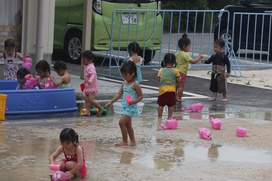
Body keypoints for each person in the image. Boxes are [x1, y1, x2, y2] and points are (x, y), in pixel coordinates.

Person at [105, 61, 143, 146]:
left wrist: (134, 101)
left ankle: (125, 141)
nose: (124, 77)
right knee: (128, 125)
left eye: (126, 75)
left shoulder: (135, 85)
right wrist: (111, 102)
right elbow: (119, 94)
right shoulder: (124, 84)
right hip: (125, 106)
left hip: (131, 107)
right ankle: (133, 141)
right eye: (123, 74)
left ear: (132, 73)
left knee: (121, 122)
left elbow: (140, 96)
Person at [175, 34, 203, 102]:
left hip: (175, 71)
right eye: (189, 46)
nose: (189, 48)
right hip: (182, 72)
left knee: (175, 86)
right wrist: (199, 58)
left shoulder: (177, 53)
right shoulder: (185, 55)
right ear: (184, 46)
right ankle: (179, 97)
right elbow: (193, 61)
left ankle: (174, 97)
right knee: (180, 86)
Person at [157, 53, 181, 120]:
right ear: (174, 62)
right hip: (172, 91)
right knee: (171, 105)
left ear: (164, 61)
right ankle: (169, 117)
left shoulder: (161, 70)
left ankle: (159, 117)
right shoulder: (175, 71)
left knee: (161, 105)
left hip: (162, 91)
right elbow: (179, 80)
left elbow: (158, 78)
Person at [81, 50, 104, 116]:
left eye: (84, 59)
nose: (83, 61)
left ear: (90, 60)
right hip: (88, 86)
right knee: (86, 99)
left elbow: (93, 75)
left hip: (92, 87)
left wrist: (89, 81)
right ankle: (88, 111)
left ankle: (100, 108)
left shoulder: (91, 67)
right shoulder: (88, 66)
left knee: (90, 100)